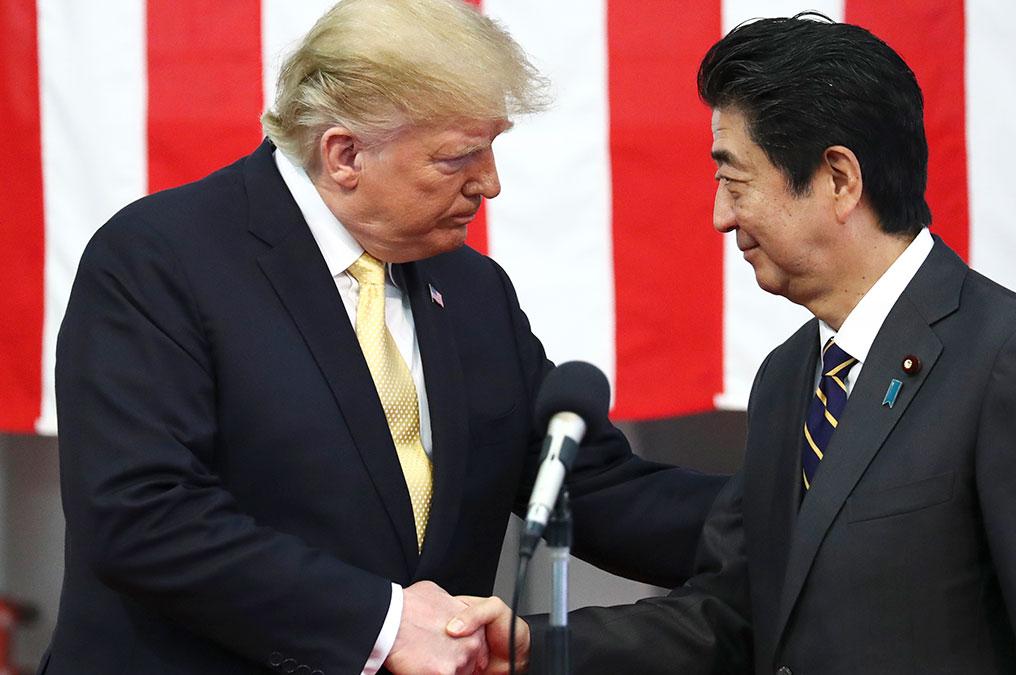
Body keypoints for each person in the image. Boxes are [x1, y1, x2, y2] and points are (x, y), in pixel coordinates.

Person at [43, 1, 726, 673]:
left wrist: (807, 517)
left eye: (491, 150)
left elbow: (587, 485)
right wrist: (384, 622)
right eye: (460, 157)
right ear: (344, 154)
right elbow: (142, 515)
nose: (490, 183)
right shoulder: (161, 259)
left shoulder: (472, 289)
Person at [453, 13, 1016, 674]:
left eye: (735, 179)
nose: (721, 216)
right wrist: (531, 649)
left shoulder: (1015, 362)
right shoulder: (790, 377)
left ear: (838, 180)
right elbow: (728, 616)